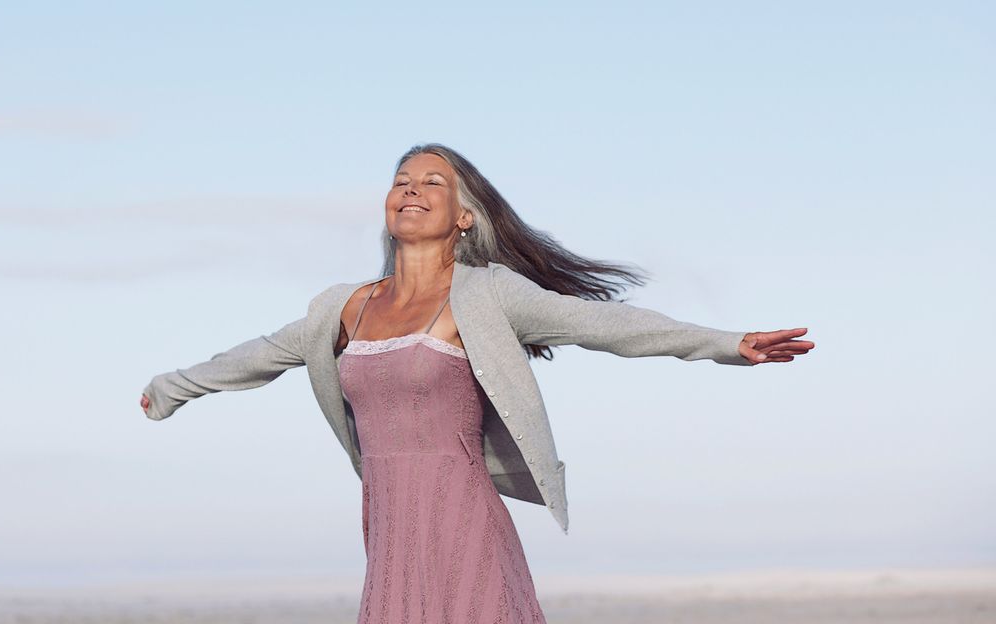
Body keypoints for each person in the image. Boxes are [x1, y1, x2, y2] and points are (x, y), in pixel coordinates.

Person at [141, 144, 814, 623]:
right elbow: (260, 354)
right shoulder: (343, 309)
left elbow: (605, 325)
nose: (411, 188)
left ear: (465, 216)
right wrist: (172, 388)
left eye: (434, 182)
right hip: (389, 527)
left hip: (462, 517)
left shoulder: (488, 295)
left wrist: (726, 344)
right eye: (402, 178)